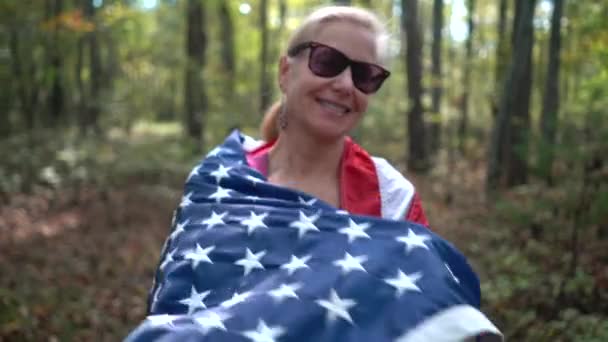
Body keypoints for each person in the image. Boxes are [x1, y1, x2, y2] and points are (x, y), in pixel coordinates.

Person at [245, 5, 429, 225]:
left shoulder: (391, 197)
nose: (346, 85)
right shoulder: (226, 176)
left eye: (364, 74)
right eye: (327, 61)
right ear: (285, 72)